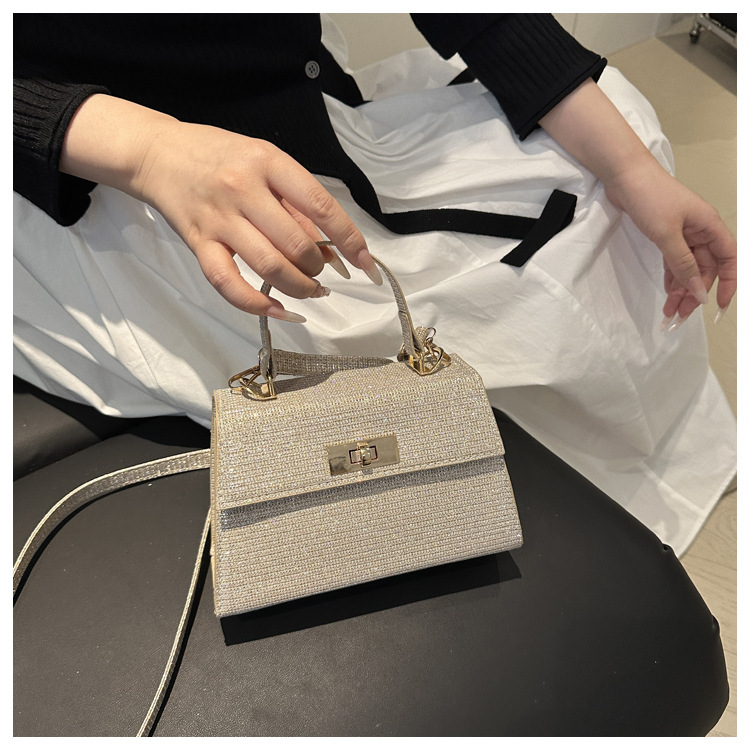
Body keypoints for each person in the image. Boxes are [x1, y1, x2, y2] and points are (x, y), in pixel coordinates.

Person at [13, 13, 736, 554]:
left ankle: (638, 469)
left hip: (300, 117)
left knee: (620, 147)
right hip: (97, 166)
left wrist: (631, 169)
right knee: (333, 332)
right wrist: (152, 153)